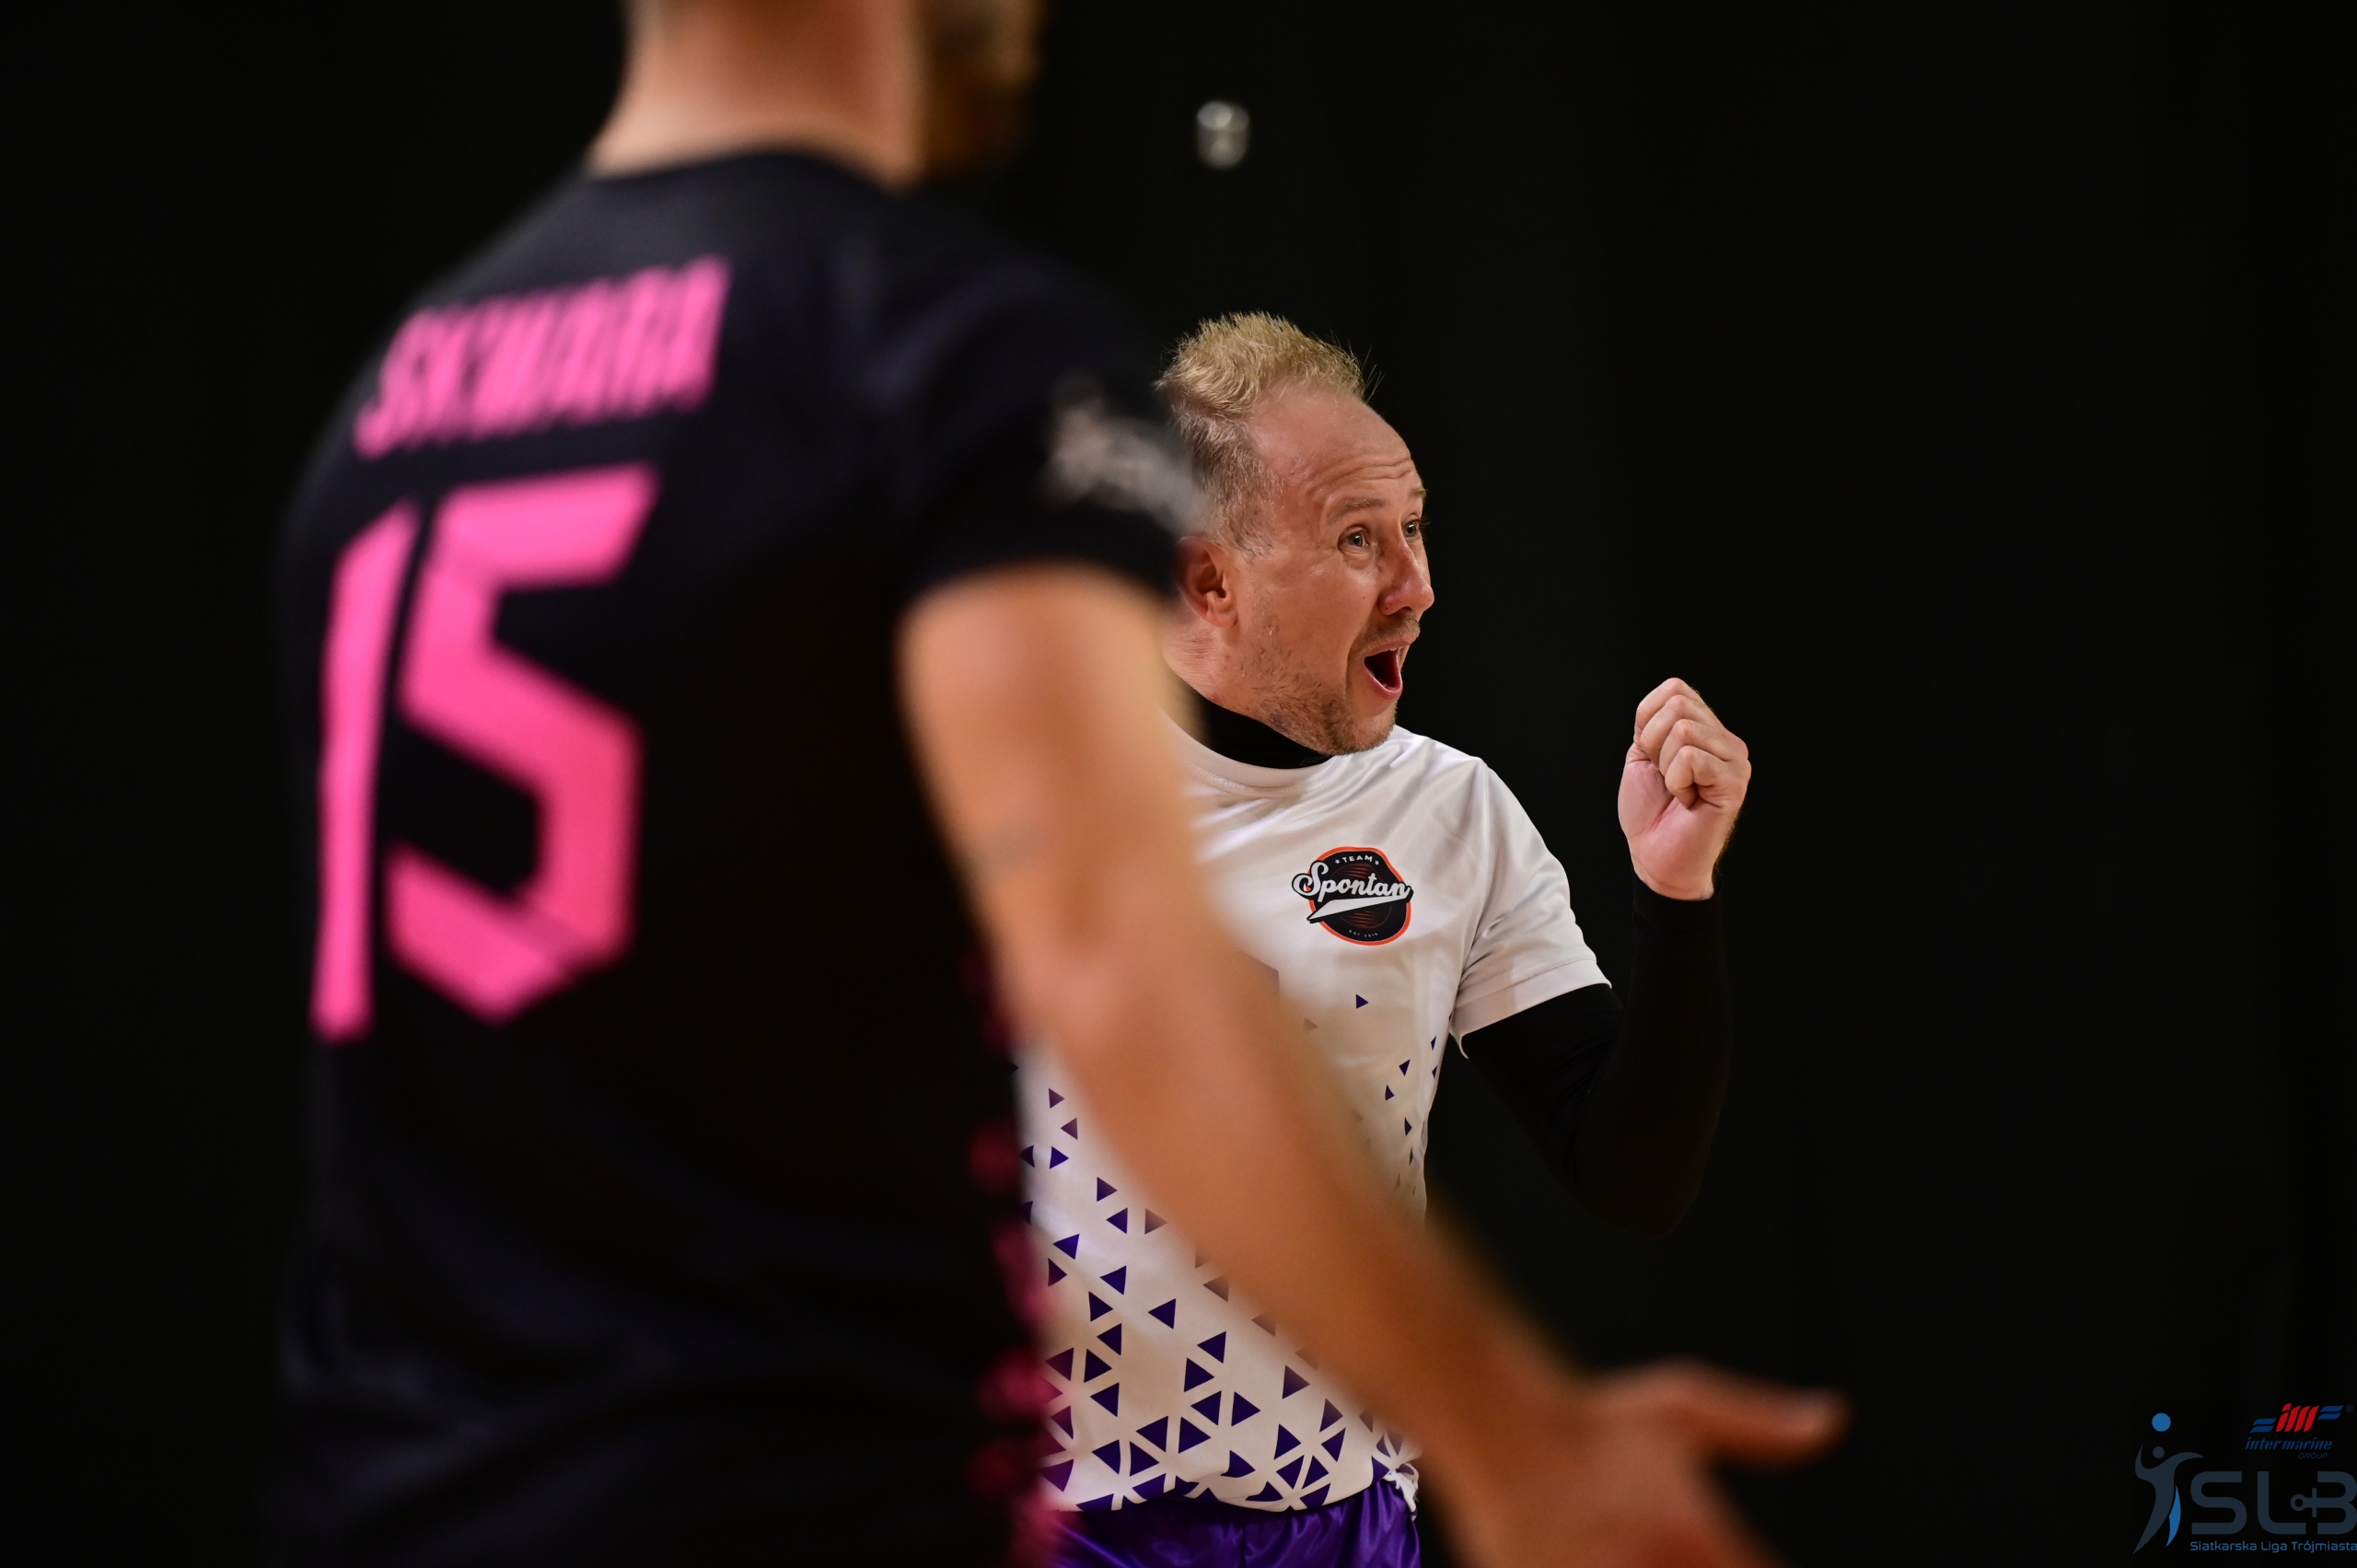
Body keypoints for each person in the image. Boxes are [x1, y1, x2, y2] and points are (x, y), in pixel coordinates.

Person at [268, 0, 1840, 1562]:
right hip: (782, 1481)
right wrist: (1520, 1439)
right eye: (1364, 538)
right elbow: (1117, 962)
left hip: (410, 1476)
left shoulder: (403, 399)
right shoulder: (932, 349)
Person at [1023, 314, 1760, 1565]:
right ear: (1209, 581)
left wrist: (1676, 895)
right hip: (1061, 1522)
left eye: (1415, 528)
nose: (1417, 585)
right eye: (1359, 539)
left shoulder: (1450, 808)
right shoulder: (1023, 788)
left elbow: (1631, 1177)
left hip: (1343, 1522)